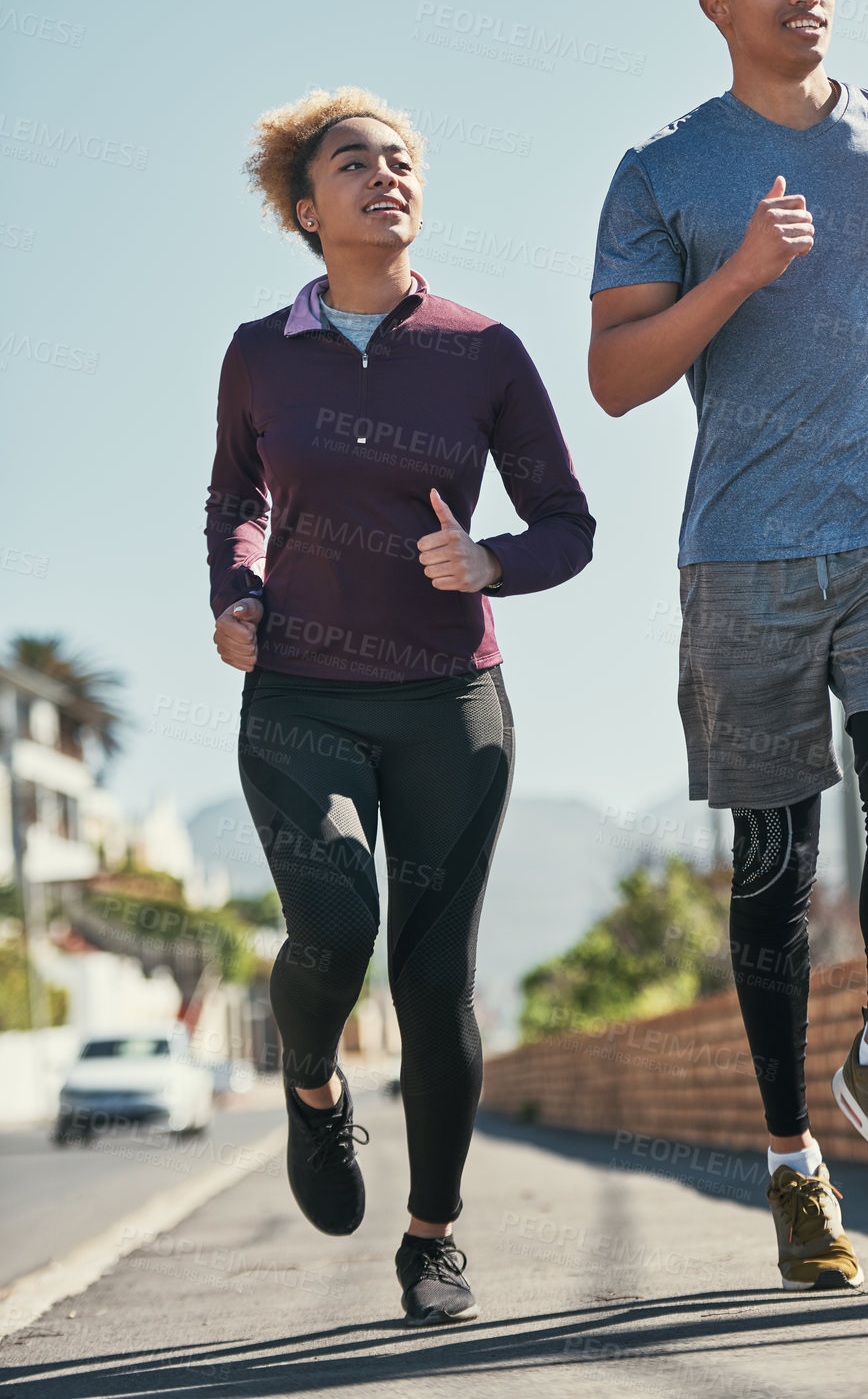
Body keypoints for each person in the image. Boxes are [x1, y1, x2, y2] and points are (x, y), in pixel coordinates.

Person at [588, 0, 868, 1291]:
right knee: (772, 872)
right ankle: (789, 1159)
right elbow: (618, 375)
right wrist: (741, 274)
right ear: (715, 3)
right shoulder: (664, 168)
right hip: (741, 553)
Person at [206, 86, 594, 1326]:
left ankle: (432, 1238)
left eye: (403, 160)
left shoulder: (483, 348)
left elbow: (567, 527)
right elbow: (235, 502)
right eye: (354, 162)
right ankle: (313, 1088)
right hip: (301, 689)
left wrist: (491, 563)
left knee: (435, 983)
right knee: (330, 919)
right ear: (306, 206)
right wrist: (236, 590)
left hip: (448, 699)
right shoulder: (260, 351)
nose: (387, 175)